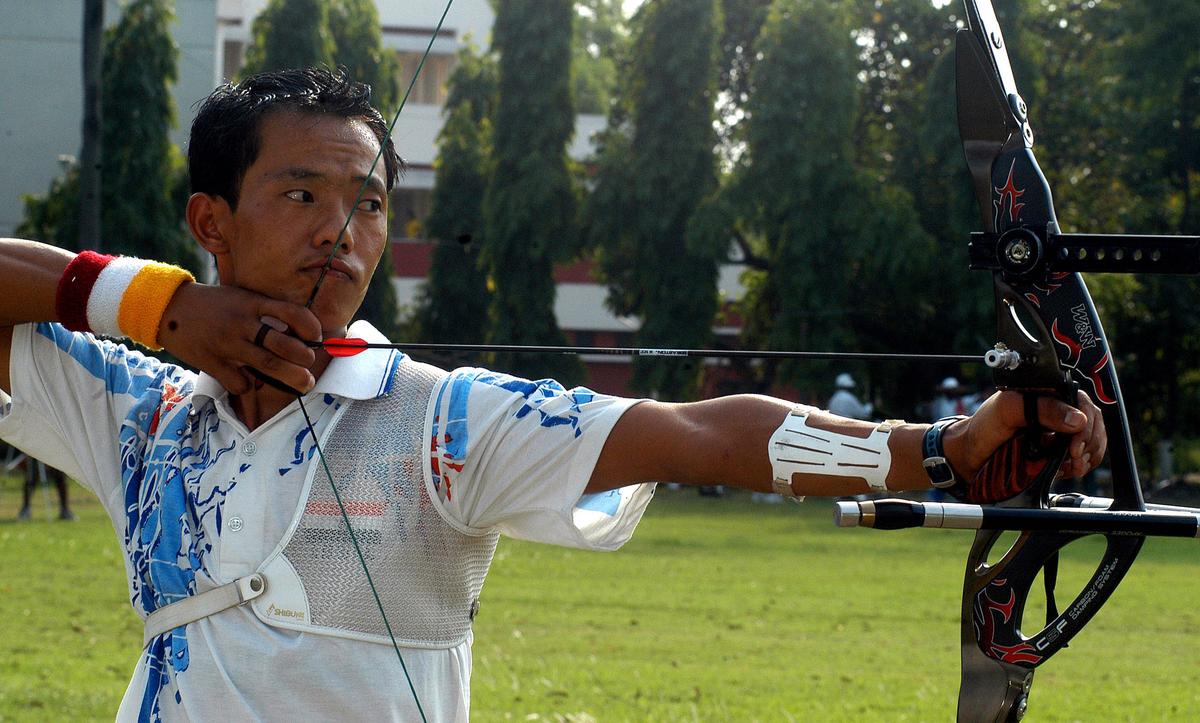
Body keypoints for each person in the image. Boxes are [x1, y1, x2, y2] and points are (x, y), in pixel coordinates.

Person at [0, 68, 1105, 721]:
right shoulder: (141, 406)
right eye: (302, 193)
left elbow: (697, 436)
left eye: (372, 203)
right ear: (211, 222)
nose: (344, 232)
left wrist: (947, 450)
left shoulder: (434, 418)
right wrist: (153, 310)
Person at [18, 454, 73, 521]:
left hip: (54, 452)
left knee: (61, 478)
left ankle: (65, 510)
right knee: (32, 478)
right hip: (35, 452)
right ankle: (26, 509)